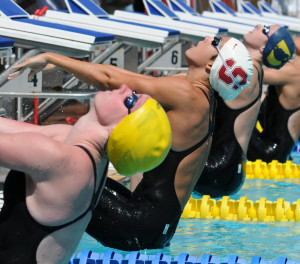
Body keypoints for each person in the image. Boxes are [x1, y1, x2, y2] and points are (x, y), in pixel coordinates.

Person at [8, 36, 253, 250]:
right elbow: (128, 78)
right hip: (152, 227)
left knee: (43, 174)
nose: (209, 37)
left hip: (137, 223)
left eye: (215, 43)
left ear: (212, 64)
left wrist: (52, 57)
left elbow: (110, 80)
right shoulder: (200, 95)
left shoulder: (187, 94)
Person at [0, 84, 171, 263]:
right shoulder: (77, 147)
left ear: (122, 128)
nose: (125, 88)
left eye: (129, 101)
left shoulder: (64, 160)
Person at [193, 25, 295, 198]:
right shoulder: (254, 71)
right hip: (229, 170)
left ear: (264, 48)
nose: (259, 26)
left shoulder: (246, 75)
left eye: (265, 30)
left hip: (216, 169)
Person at [247, 36, 300, 163]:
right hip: (279, 151)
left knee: (223, 103)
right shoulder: (291, 67)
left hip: (269, 152)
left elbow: (247, 75)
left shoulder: (294, 71)